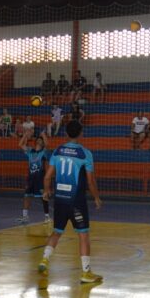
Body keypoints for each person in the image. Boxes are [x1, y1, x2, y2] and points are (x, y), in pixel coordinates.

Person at [38, 120, 103, 284]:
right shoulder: (85, 154)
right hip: (76, 202)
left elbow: (47, 176)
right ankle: (86, 272)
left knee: (57, 232)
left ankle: (44, 260)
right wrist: (96, 197)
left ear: (66, 134)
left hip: (60, 199)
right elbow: (90, 181)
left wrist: (46, 191)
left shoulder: (58, 150)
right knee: (83, 235)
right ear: (81, 133)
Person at [18, 132, 50, 224]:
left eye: (41, 140)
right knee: (26, 196)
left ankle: (47, 217)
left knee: (43, 197)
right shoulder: (30, 151)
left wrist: (43, 135)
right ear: (36, 142)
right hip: (31, 178)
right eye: (39, 139)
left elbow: (47, 144)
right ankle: (25, 216)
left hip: (40, 178)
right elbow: (20, 144)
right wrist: (25, 135)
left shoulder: (43, 152)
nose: (40, 140)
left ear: (42, 143)